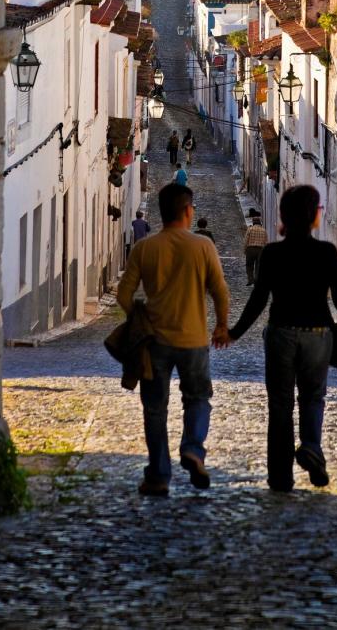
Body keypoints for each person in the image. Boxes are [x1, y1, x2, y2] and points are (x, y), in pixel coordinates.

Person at [228, 185, 337, 494]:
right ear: (312, 216)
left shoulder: (273, 253)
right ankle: (312, 449)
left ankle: (280, 477)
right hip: (318, 335)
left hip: (281, 333)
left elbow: (259, 299)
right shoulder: (326, 252)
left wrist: (235, 332)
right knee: (312, 397)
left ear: (284, 216)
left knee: (280, 405)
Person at [116, 182, 230, 497]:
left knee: (155, 409)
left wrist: (139, 318)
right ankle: (193, 449)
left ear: (162, 213)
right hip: (193, 340)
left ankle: (159, 476)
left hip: (155, 342)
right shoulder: (203, 246)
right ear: (187, 211)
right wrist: (221, 326)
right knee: (197, 398)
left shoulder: (145, 248)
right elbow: (220, 290)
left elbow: (124, 294)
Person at [243, 211, 267, 286]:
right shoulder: (264, 230)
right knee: (258, 266)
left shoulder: (250, 229)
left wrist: (245, 250)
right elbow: (266, 242)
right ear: (259, 222)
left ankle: (250, 280)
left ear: (253, 222)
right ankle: (257, 280)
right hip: (260, 250)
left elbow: (246, 240)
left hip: (250, 249)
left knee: (249, 265)